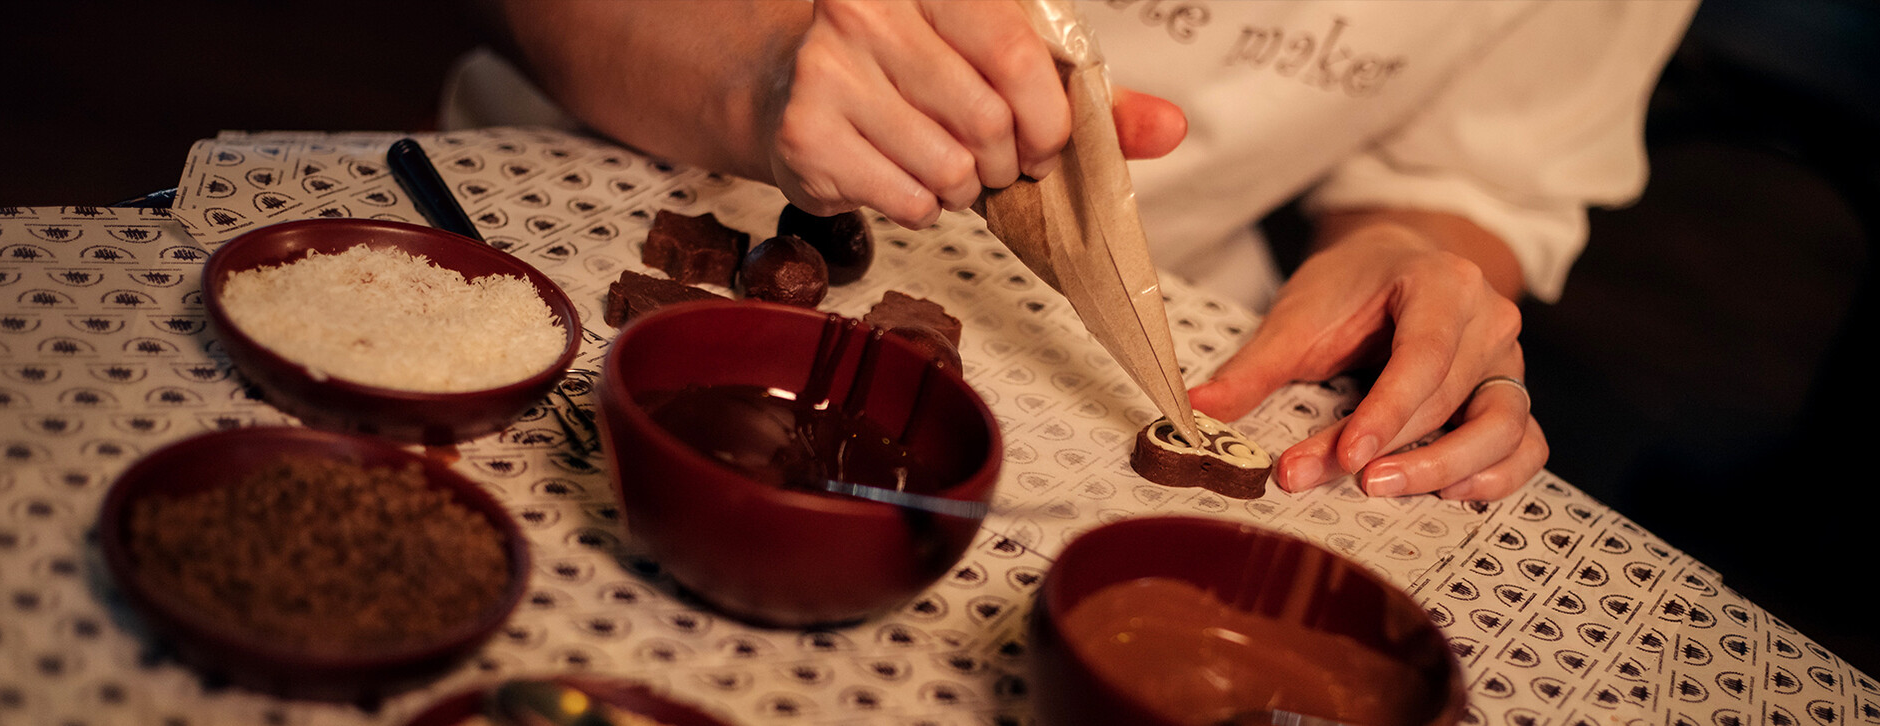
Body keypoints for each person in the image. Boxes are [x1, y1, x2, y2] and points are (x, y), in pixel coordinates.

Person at [451, 0, 1697, 501]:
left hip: (1138, 354)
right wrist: (758, 67)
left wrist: (1410, 257)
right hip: (591, 192)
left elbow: (1468, 178)